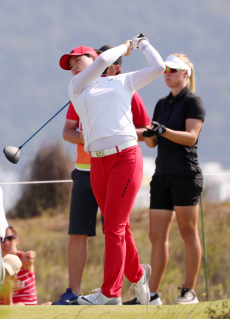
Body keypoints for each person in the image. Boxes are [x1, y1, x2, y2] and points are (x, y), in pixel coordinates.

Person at [58, 34, 164, 305]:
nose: (72, 67)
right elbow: (105, 58)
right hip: (97, 163)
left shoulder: (122, 81)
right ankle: (139, 277)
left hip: (126, 159)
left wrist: (142, 45)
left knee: (114, 228)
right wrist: (127, 45)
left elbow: (158, 68)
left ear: (91, 60)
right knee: (120, 227)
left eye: (76, 61)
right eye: (69, 65)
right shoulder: (77, 86)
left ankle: (110, 293)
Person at [125, 54, 205, 305]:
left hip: (185, 174)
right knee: (156, 237)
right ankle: (151, 295)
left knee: (188, 233)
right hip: (162, 176)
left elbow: (191, 137)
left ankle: (188, 292)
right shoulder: (161, 104)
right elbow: (152, 144)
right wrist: (149, 133)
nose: (167, 73)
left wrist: (163, 131)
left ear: (186, 74)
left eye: (173, 69)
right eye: (166, 69)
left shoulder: (194, 102)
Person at [0, 226, 41, 306]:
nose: (6, 242)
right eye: (2, 239)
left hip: (27, 309)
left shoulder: (24, 259)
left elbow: (29, 261)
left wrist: (30, 257)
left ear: (16, 240)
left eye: (10, 238)